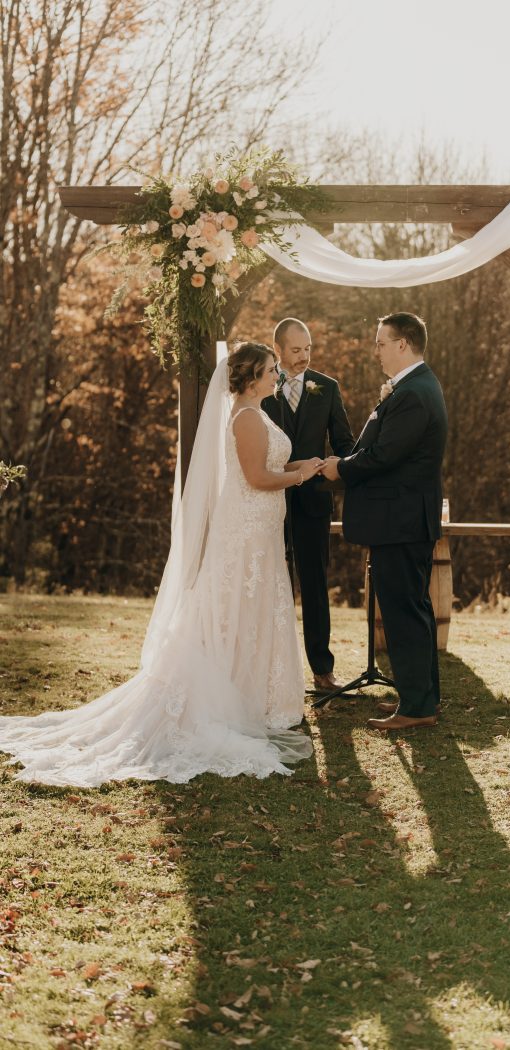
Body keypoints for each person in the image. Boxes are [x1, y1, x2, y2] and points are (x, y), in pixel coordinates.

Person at [0, 343, 322, 786]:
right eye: (270, 370)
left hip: (260, 531)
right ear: (251, 378)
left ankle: (253, 696)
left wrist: (302, 464)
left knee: (254, 610)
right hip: (244, 532)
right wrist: (300, 477)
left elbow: (273, 464)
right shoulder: (246, 417)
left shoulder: (258, 413)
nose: (276, 375)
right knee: (236, 610)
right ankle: (228, 698)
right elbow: (257, 478)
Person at [321, 312, 448, 731]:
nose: (375, 350)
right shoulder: (412, 387)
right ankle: (423, 699)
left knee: (403, 611)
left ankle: (416, 707)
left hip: (401, 520)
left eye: (380, 342)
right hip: (405, 519)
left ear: (403, 344)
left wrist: (341, 468)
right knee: (413, 608)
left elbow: (384, 456)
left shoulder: (414, 393)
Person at [261, 318, 354, 692]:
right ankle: (268, 669)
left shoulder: (326, 388)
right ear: (279, 350)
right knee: (268, 582)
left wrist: (350, 472)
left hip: (314, 502)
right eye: (296, 350)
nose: (304, 357)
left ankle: (322, 669)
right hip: (269, 498)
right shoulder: (262, 387)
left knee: (315, 585)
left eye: (308, 349)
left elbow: (344, 442)